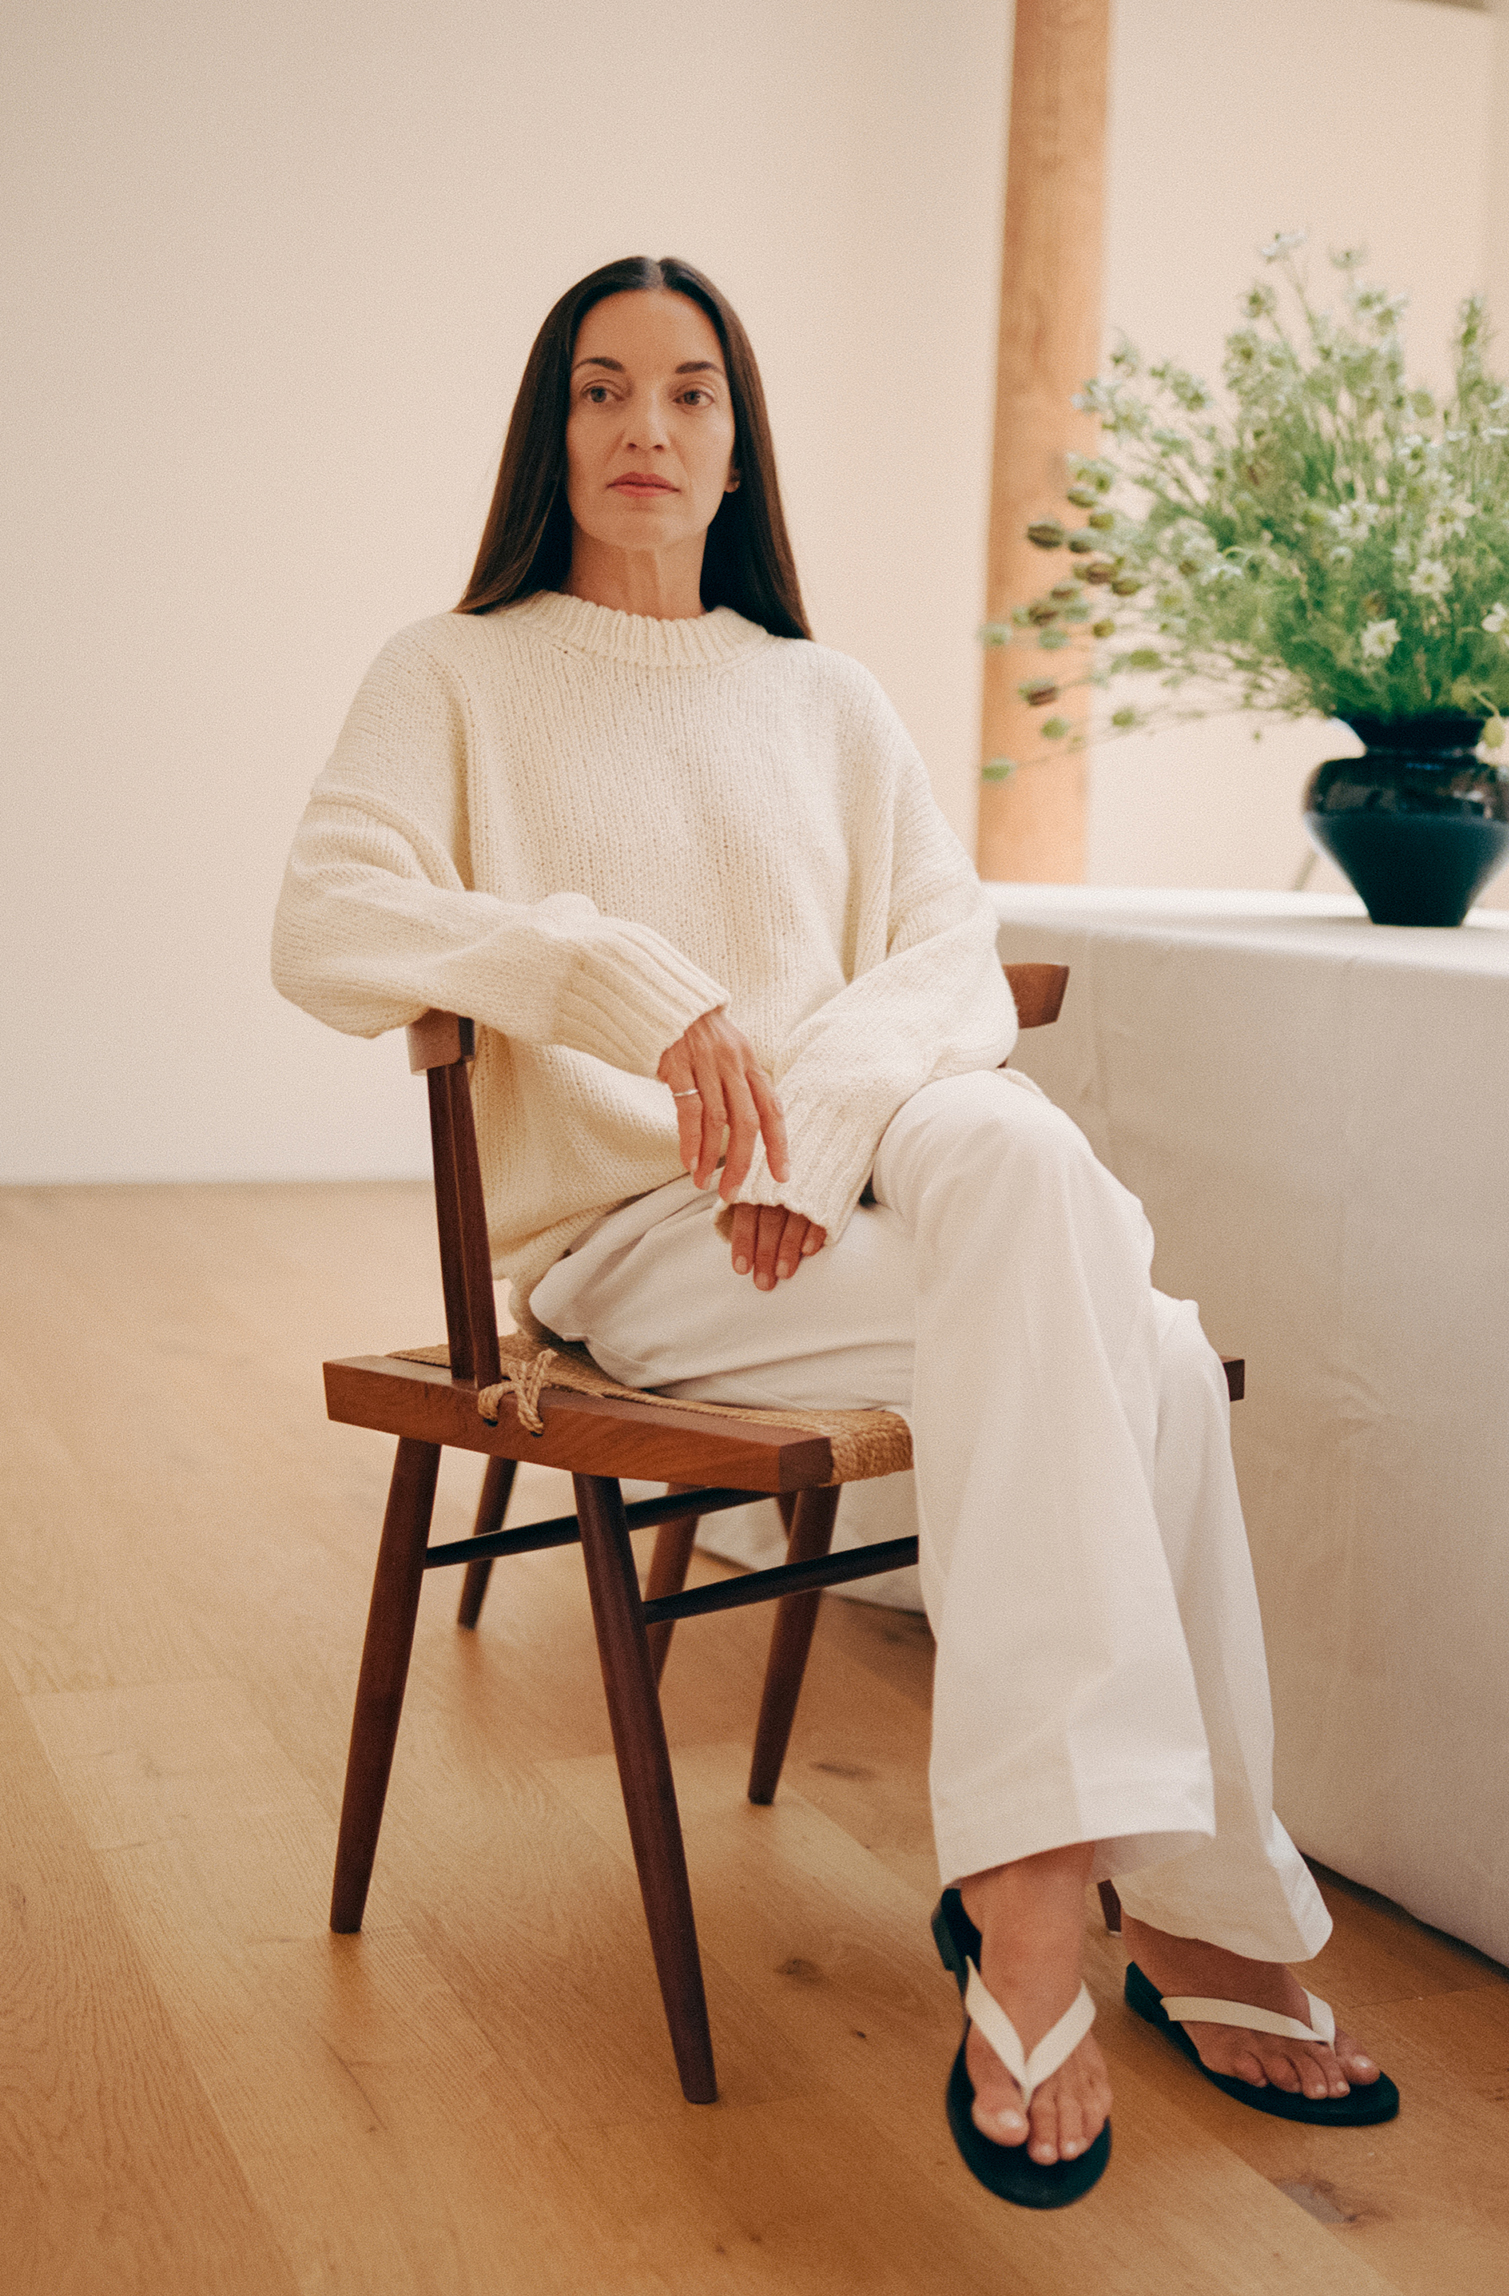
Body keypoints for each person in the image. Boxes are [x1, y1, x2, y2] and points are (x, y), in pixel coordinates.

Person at [272, 253, 1394, 2208]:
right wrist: (627, 983)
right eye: (601, 389)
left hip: (855, 1192)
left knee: (1032, 1178)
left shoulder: (826, 693)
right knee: (1127, 1347)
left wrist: (820, 1123)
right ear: (552, 430)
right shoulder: (450, 671)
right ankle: (1186, 1902)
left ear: (736, 438)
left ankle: (1032, 1885)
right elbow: (330, 921)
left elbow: (944, 951)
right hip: (650, 1241)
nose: (645, 428)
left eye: (689, 392)